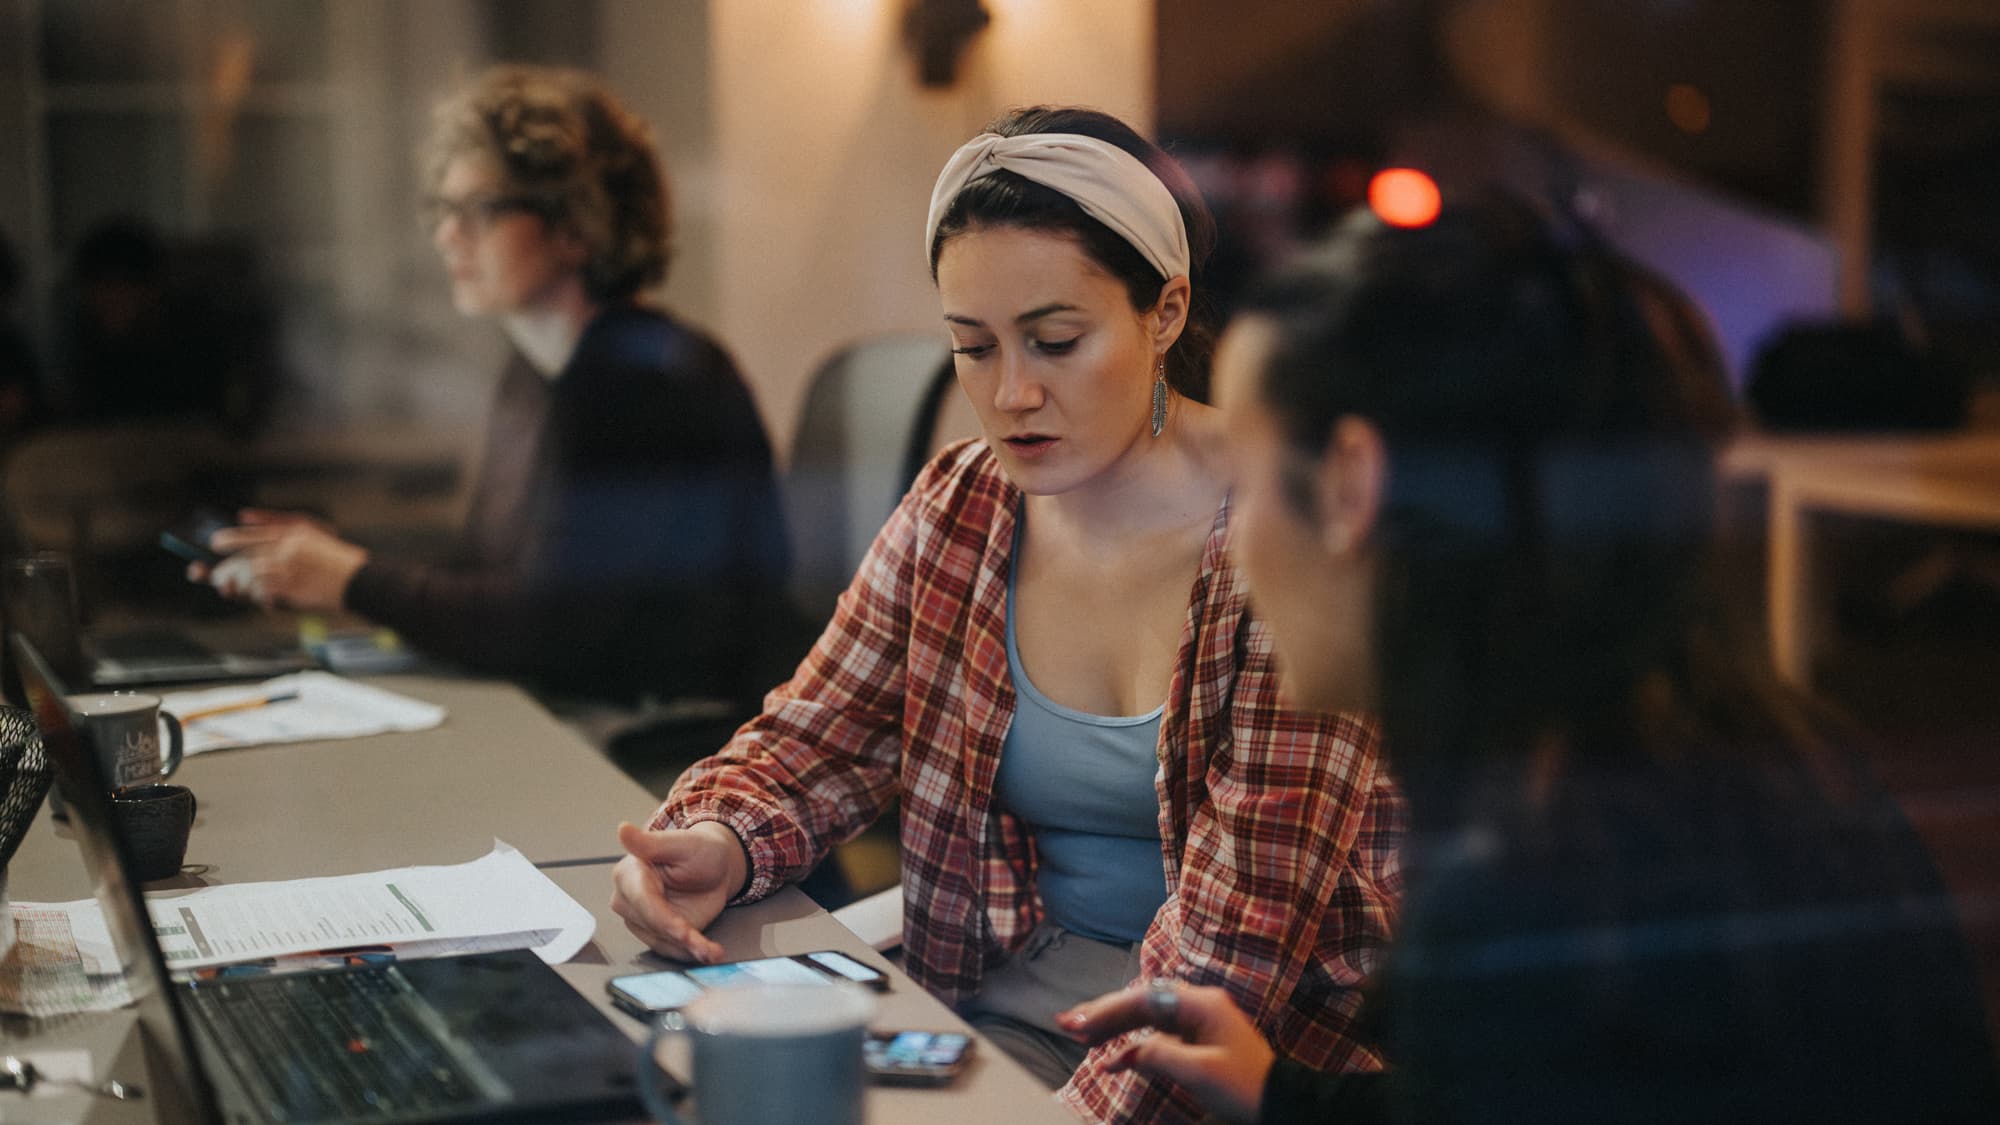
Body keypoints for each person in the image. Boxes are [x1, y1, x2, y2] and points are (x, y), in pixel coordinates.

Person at [1059, 196, 1999, 1122]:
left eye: (1249, 479)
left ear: (1351, 484)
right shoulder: (1747, 760)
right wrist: (1281, 1093)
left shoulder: (1534, 898)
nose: (1232, 537)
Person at [609, 106, 1403, 1123]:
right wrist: (718, 837)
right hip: (991, 1014)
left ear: (1164, 312)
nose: (1012, 393)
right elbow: (815, 738)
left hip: (1247, 1057)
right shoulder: (962, 503)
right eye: (972, 349)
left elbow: (1232, 953)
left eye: (1055, 340)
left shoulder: (1281, 535)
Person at [197, 66, 791, 708]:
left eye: (479, 210)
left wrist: (351, 578)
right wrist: (321, 562)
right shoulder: (537, 371)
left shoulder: (645, 379)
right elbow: (489, 577)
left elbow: (552, 627)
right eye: (445, 211)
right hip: (576, 710)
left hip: (661, 738)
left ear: (574, 225)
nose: (447, 234)